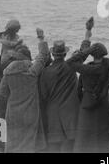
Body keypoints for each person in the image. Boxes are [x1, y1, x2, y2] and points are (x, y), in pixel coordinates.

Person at [38, 17, 94, 153]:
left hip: (53, 113)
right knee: (68, 147)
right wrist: (88, 30)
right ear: (65, 53)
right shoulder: (72, 66)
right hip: (71, 113)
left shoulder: (45, 72)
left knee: (54, 148)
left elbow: (43, 96)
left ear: (53, 53)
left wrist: (41, 38)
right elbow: (84, 50)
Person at [72, 17, 109, 153]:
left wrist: (88, 32)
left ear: (91, 54)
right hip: (103, 101)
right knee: (103, 132)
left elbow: (73, 61)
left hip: (87, 101)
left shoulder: (85, 68)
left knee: (84, 133)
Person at [0, 28, 51, 153]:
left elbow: (3, 94)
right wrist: (41, 38)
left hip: (13, 113)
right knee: (29, 145)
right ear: (27, 58)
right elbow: (43, 56)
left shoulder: (8, 74)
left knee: (13, 144)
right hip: (31, 113)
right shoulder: (32, 72)